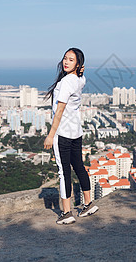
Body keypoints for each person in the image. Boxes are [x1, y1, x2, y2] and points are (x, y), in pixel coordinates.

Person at [44, 48, 98, 225]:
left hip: (63, 133)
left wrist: (50, 135)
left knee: (63, 172)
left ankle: (66, 213)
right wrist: (80, 69)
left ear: (78, 64)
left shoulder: (67, 81)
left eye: (71, 60)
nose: (66, 62)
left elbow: (59, 111)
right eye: (65, 58)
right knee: (79, 166)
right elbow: (81, 76)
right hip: (76, 131)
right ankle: (88, 203)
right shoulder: (80, 79)